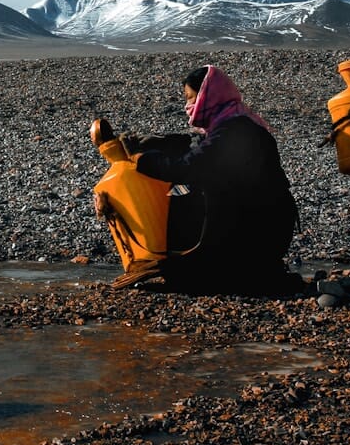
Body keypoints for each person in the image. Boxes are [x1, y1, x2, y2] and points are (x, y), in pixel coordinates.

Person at [91, 65, 299, 294]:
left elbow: (189, 167)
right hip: (267, 223)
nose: (187, 106)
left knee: (187, 273)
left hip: (259, 227)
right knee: (182, 196)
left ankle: (234, 265)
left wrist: (142, 160)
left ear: (207, 97)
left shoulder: (233, 132)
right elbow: (197, 155)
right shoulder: (235, 124)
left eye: (191, 98)